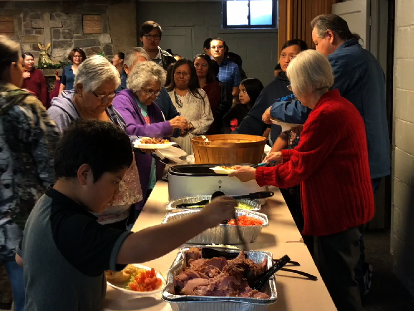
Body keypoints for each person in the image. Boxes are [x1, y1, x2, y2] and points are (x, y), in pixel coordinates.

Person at [16, 119, 237, 311]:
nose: (117, 193)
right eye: (115, 181)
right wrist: (206, 217)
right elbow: (139, 246)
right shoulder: (70, 227)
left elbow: (21, 257)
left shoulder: (47, 204)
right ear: (84, 174)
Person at [231, 49, 375, 311]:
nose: (293, 91)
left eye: (293, 84)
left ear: (304, 84)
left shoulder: (325, 114)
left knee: (339, 286)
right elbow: (319, 154)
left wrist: (256, 173)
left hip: (337, 210)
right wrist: (284, 154)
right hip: (346, 207)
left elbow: (300, 169)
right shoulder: (338, 105)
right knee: (340, 278)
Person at [264, 14, 390, 295]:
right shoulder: (365, 57)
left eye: (317, 42)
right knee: (350, 241)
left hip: (352, 162)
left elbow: (305, 105)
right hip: (367, 156)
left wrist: (274, 111)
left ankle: (353, 288)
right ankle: (356, 282)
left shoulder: (344, 62)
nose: (317, 50)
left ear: (330, 36)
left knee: (342, 245)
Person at [49, 55, 143, 230]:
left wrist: (139, 143)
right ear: (80, 88)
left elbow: (119, 139)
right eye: (101, 95)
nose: (108, 101)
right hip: (86, 219)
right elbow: (56, 169)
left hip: (118, 213)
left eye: (112, 93)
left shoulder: (108, 108)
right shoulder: (60, 115)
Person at [0, 35, 59, 311]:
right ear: (12, 67)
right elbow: (52, 164)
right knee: (28, 299)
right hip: (20, 224)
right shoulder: (26, 105)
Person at [113, 61, 188, 215]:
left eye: (157, 91)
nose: (154, 96)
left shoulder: (151, 106)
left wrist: (178, 128)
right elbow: (132, 131)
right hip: (135, 171)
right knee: (137, 218)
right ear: (136, 86)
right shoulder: (122, 100)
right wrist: (168, 126)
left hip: (153, 170)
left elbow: (158, 133)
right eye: (149, 91)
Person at [235, 39, 308, 140]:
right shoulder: (272, 87)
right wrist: (235, 137)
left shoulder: (310, 84)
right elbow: (255, 118)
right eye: (283, 55)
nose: (287, 60)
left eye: (293, 56)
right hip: (279, 148)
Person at [167, 59, 214, 154]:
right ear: (173, 74)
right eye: (178, 73)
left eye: (185, 74)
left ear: (191, 76)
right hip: (170, 143)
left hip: (193, 144)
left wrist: (189, 125)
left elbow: (208, 119)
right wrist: (173, 127)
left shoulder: (200, 94)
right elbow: (159, 119)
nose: (181, 76)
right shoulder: (165, 94)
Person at [123, 47, 180, 121]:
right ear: (126, 68)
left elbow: (174, 117)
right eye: (140, 67)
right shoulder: (117, 93)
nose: (146, 71)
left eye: (148, 67)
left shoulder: (159, 89)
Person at [193, 54, 223, 134]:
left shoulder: (215, 86)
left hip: (209, 127)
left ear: (209, 68)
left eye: (204, 65)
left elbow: (210, 106)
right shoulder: (188, 86)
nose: (200, 68)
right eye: (197, 64)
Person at [210, 38, 241, 102]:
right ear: (210, 50)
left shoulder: (233, 67)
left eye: (220, 47)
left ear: (225, 49)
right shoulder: (204, 65)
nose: (216, 50)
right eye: (213, 47)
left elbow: (235, 92)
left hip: (226, 103)